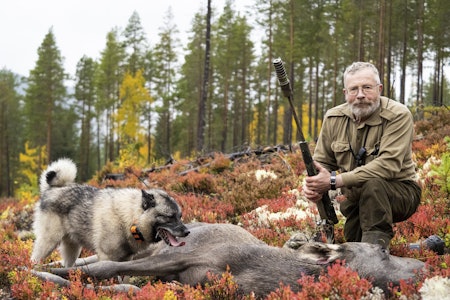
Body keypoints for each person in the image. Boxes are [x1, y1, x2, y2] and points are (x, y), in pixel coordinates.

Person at [303, 61, 421, 249]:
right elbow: (322, 163)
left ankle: (375, 257)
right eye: (353, 89)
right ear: (345, 93)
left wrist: (334, 181)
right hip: (355, 198)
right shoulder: (333, 118)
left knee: (373, 186)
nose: (360, 95)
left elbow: (387, 166)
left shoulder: (398, 115)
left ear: (379, 89)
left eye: (367, 87)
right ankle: (417, 248)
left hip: (400, 193)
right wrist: (313, 185)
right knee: (353, 247)